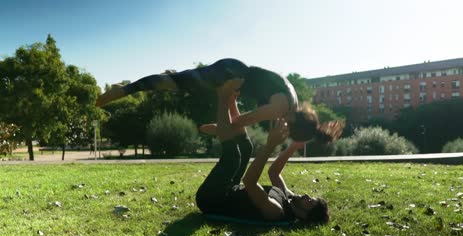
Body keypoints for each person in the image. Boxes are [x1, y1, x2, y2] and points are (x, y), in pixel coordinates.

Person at [96, 58, 343, 142]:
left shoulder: (292, 99)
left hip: (234, 73)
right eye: (288, 131)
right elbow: (240, 122)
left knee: (181, 84)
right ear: (292, 126)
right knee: (176, 84)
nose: (283, 130)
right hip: (231, 75)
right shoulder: (281, 108)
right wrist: (218, 128)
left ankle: (168, 79)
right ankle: (124, 90)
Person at [196, 79, 330, 224]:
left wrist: (270, 145)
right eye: (312, 197)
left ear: (304, 216)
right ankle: (231, 100)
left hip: (212, 199)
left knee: (234, 157)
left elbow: (249, 182)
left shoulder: (277, 211)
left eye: (310, 202)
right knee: (246, 147)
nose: (306, 196)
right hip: (229, 189)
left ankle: (223, 96)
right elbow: (274, 173)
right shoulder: (288, 198)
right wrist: (293, 147)